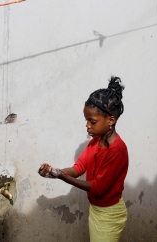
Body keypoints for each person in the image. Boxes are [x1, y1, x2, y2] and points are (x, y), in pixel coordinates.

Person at [38, 76, 129, 242]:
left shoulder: (116, 150)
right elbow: (79, 168)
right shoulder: (95, 142)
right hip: (97, 209)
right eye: (86, 120)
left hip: (109, 214)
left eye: (92, 121)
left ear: (111, 120)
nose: (87, 125)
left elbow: (98, 188)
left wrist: (63, 177)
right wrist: (54, 172)